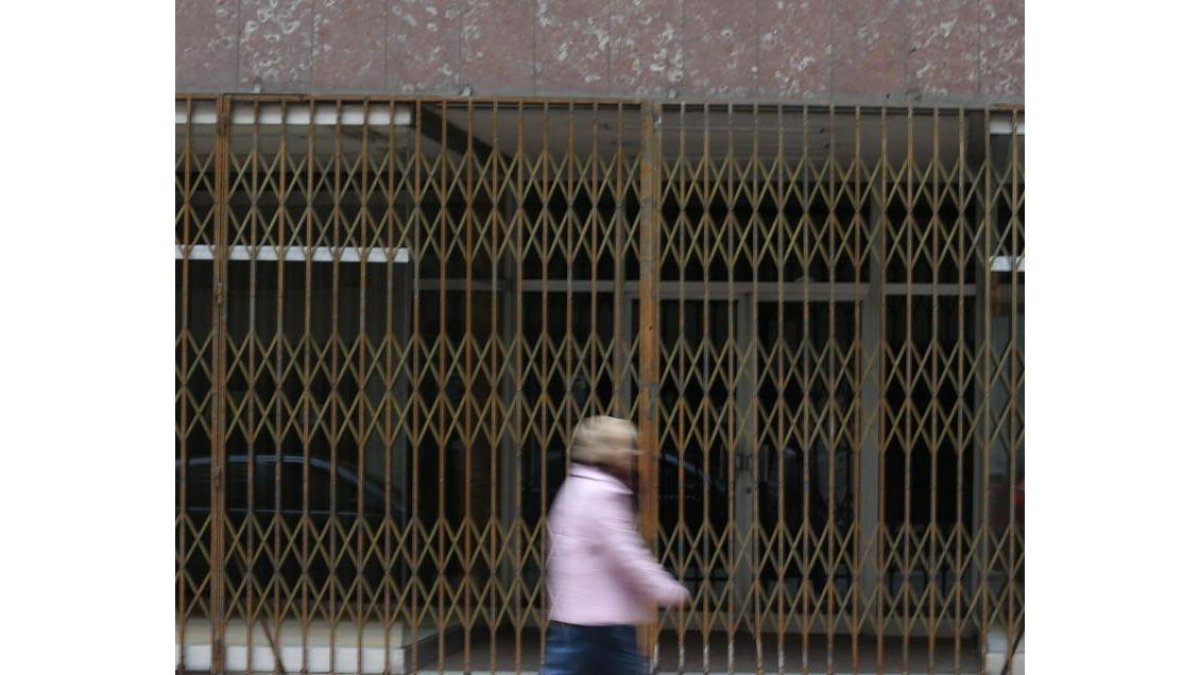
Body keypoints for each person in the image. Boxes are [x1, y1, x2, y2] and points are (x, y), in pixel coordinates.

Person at [541, 416, 690, 675]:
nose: (634, 452)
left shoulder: (575, 486)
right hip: (602, 622)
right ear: (607, 450)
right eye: (626, 446)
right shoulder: (601, 494)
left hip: (573, 617)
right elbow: (625, 553)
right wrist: (666, 589)